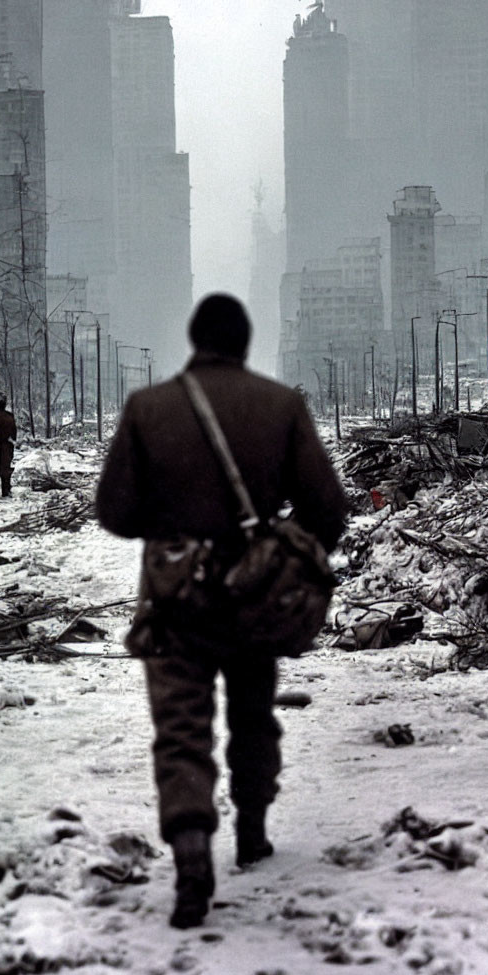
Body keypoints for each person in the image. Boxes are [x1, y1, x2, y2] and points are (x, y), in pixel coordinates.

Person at [96, 295, 346, 929]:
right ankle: (254, 831)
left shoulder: (147, 409)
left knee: (181, 729)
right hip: (254, 595)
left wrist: (174, 527)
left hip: (175, 602)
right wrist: (278, 547)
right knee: (254, 715)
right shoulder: (281, 406)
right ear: (243, 342)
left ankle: (189, 852)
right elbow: (328, 510)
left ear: (193, 339)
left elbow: (115, 513)